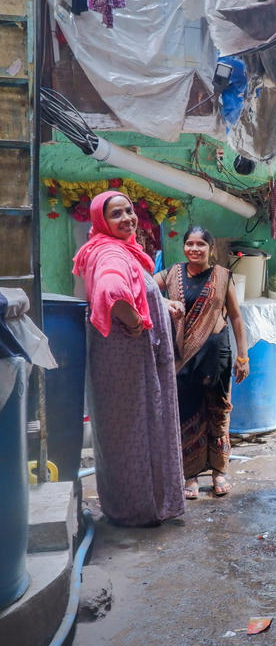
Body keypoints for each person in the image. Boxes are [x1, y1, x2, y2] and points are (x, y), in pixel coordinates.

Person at [72, 190, 187, 526]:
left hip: (121, 363)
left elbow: (134, 290)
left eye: (129, 211)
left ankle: (129, 504)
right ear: (101, 222)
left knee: (124, 431)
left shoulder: (109, 249)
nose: (127, 219)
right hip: (128, 363)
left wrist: (159, 306)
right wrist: (137, 323)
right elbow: (112, 293)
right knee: (139, 429)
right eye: (116, 214)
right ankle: (141, 509)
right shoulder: (111, 254)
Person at [154, 226, 249, 499]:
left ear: (211, 248)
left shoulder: (222, 276)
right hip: (184, 357)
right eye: (189, 244)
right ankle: (191, 474)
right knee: (188, 413)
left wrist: (243, 357)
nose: (194, 249)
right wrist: (165, 302)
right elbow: (146, 288)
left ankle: (220, 472)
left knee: (218, 411)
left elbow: (236, 318)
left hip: (216, 353)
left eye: (200, 245)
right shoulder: (172, 273)